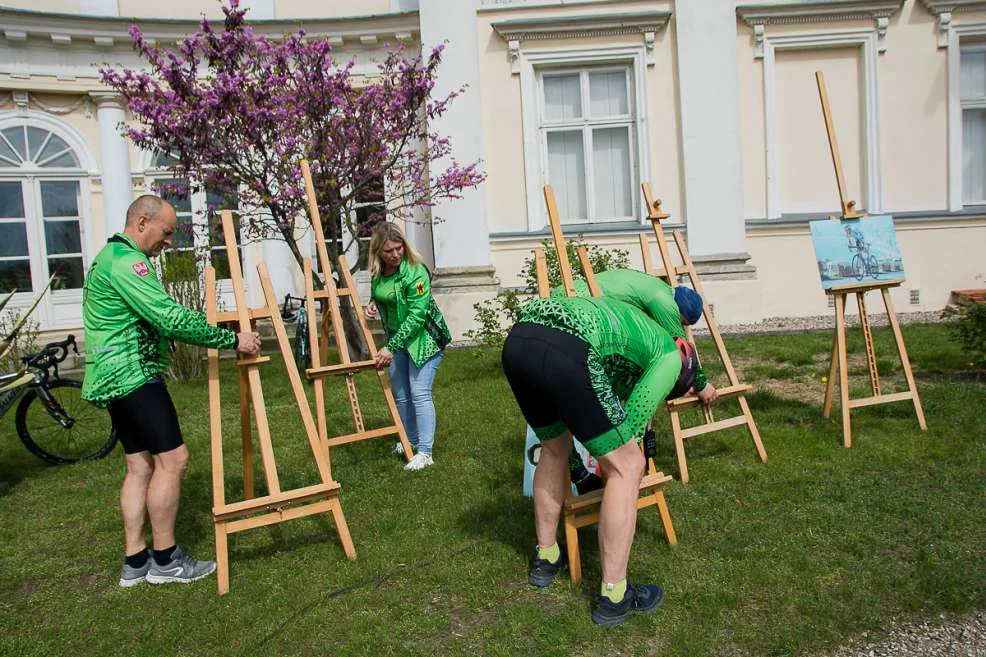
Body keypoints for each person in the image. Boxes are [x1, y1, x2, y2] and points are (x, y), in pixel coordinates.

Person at [82, 195, 260, 588]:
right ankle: (166, 559)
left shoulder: (106, 258)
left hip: (111, 377)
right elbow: (169, 316)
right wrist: (230, 338)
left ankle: (135, 561)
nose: (168, 243)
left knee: (140, 465)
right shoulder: (130, 262)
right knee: (174, 461)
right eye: (165, 233)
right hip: (133, 374)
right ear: (142, 222)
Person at [501, 294, 697, 627]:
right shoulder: (670, 357)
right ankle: (614, 595)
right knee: (628, 465)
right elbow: (632, 421)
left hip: (520, 340)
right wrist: (622, 463)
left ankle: (546, 558)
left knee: (554, 447)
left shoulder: (638, 327)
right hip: (567, 345)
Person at [556, 268, 716, 494]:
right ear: (681, 314)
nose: (681, 327)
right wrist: (701, 384)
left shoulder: (660, 289)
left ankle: (584, 472)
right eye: (683, 323)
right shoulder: (666, 305)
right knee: (586, 400)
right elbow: (680, 351)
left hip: (567, 303)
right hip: (576, 309)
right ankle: (612, 472)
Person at [365, 222, 451, 472]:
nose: (395, 254)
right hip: (398, 339)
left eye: (398, 248)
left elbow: (416, 316)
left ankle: (425, 452)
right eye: (388, 251)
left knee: (419, 392)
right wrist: (373, 303)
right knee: (400, 394)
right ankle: (409, 440)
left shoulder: (416, 272)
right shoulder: (379, 273)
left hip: (424, 339)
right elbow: (383, 293)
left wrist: (390, 347)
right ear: (378, 252)